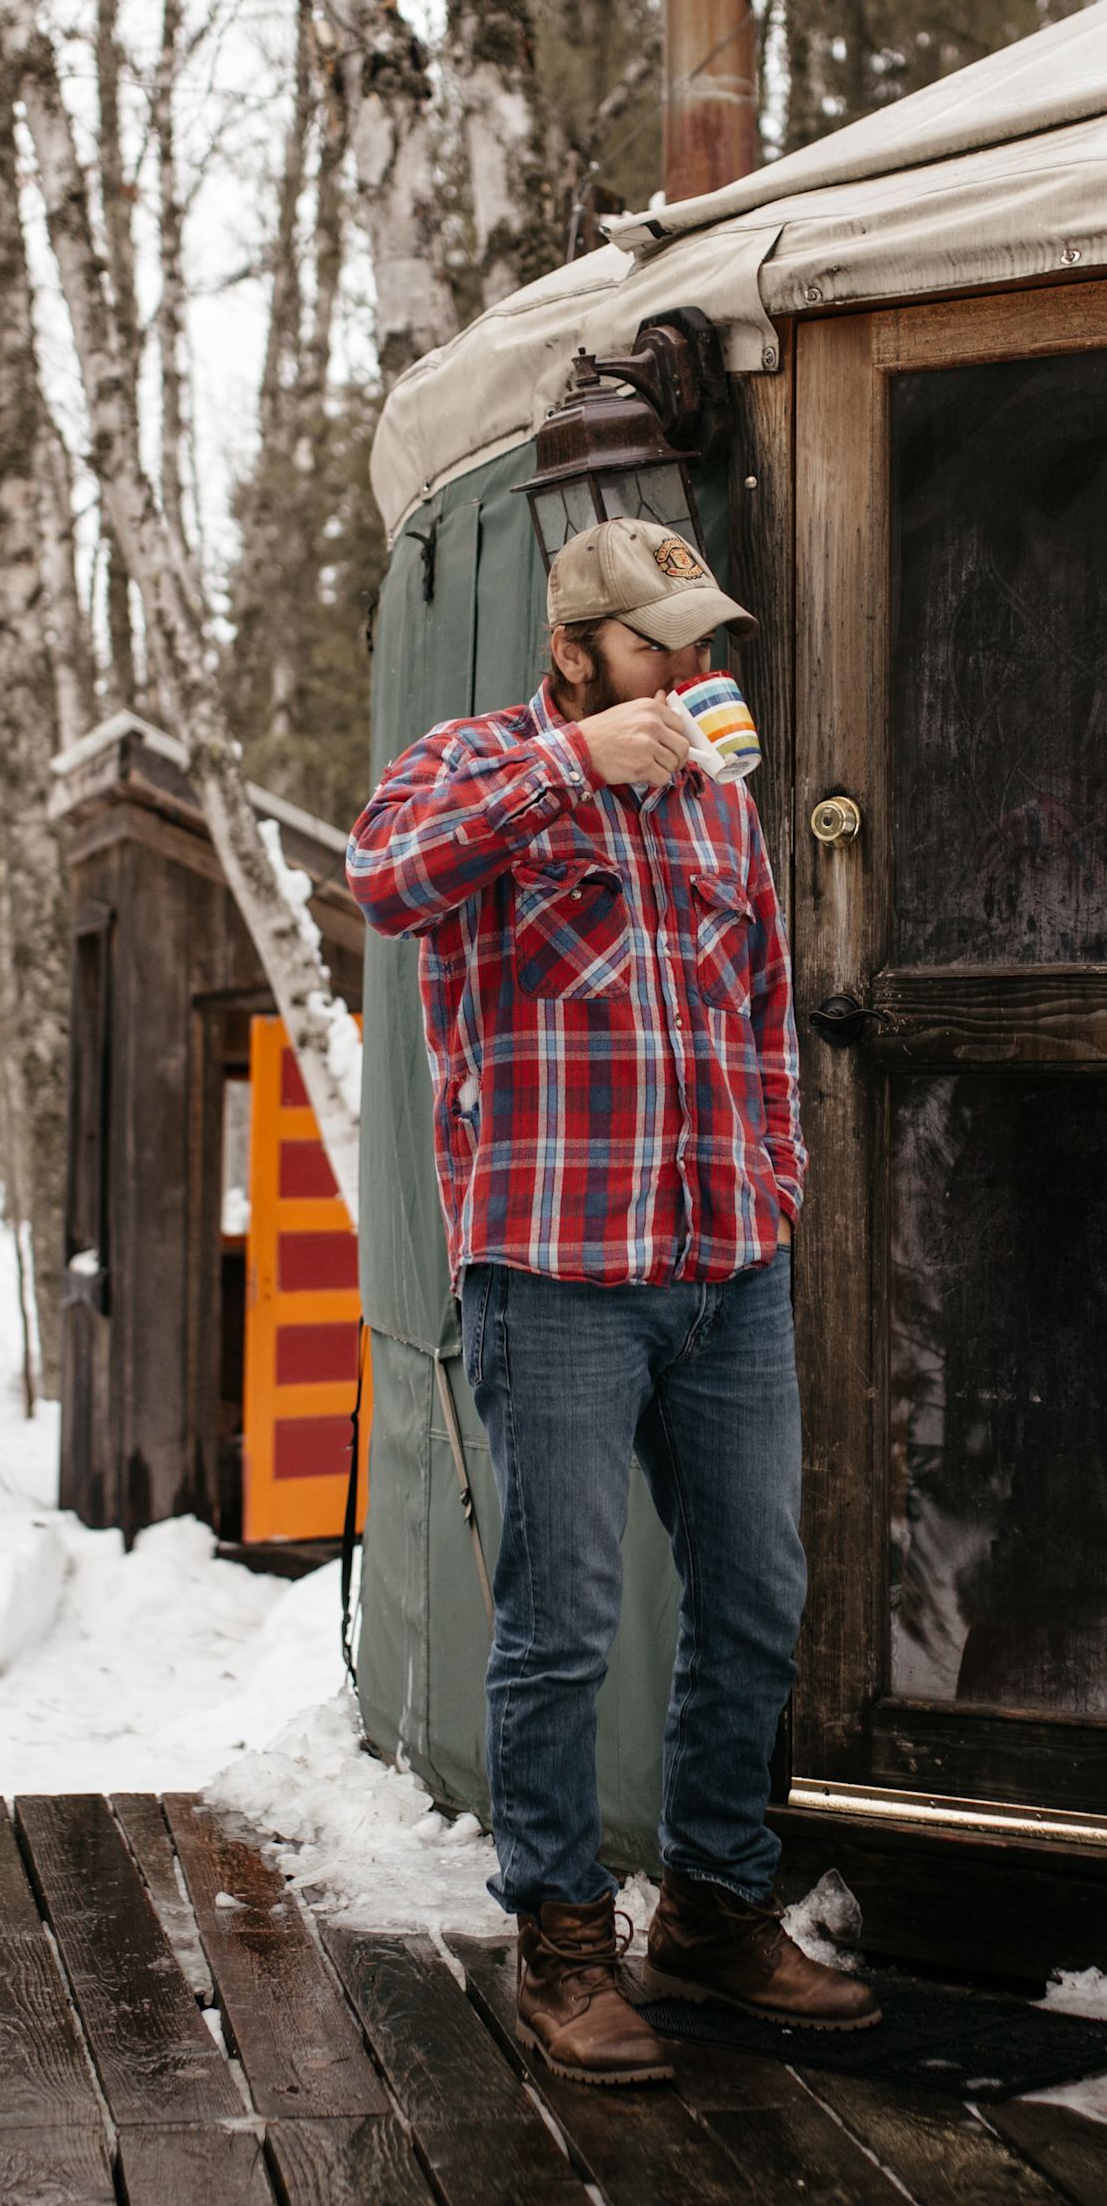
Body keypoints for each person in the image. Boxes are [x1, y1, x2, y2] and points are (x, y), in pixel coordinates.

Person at [347, 513, 879, 2084]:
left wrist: (774, 1183)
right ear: (575, 647)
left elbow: (765, 999)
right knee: (562, 1624)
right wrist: (575, 768)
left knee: (758, 1602)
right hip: (560, 1273)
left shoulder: (724, 803)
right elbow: (383, 881)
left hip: (727, 1267)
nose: (693, 669)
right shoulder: (475, 763)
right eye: (660, 644)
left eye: (703, 640)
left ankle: (715, 1915)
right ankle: (561, 1943)